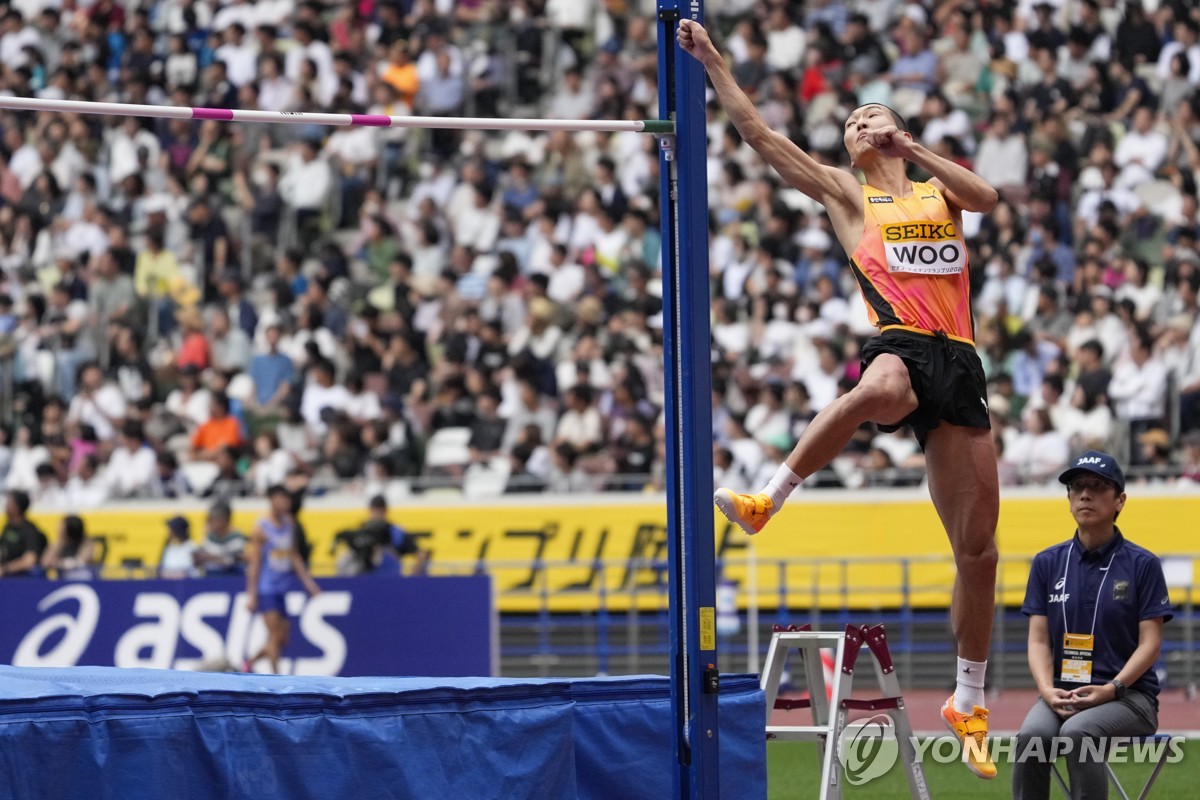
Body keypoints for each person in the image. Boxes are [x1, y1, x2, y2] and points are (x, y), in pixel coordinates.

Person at [679, 20, 1002, 777]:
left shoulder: (933, 188)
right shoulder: (845, 192)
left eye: (870, 116)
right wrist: (716, 64)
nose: (858, 125)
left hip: (960, 361)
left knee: (979, 553)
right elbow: (760, 136)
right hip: (901, 343)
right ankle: (770, 497)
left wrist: (912, 150)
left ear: (898, 127)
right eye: (851, 122)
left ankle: (968, 698)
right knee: (883, 384)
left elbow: (986, 197)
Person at [1013, 451, 1173, 799]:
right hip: (1063, 692)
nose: (1085, 495)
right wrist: (1046, 690)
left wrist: (1112, 688)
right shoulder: (1047, 563)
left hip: (1129, 697)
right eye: (1077, 487)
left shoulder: (1143, 564)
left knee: (1077, 734)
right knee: (1030, 738)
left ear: (1120, 501)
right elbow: (1038, 640)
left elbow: (1151, 643)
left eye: (1098, 487)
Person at [244, 484, 320, 674]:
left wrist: (308, 583)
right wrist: (252, 595)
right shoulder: (261, 528)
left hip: (282, 588)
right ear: (272, 500)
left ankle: (249, 663)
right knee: (274, 636)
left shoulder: (289, 523)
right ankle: (277, 677)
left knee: (282, 638)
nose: (286, 502)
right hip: (267, 588)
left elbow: (294, 555)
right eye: (282, 498)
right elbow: (255, 563)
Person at [0, 491, 48, 577]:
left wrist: (5, 568)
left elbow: (29, 560)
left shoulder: (30, 531)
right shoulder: (8, 527)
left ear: (17, 507)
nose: (5, 506)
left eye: (9, 503)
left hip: (24, 578)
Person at [193, 500, 247, 576]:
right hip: (211, 578)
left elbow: (230, 562)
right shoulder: (209, 538)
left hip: (231, 579)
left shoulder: (237, 538)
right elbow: (200, 559)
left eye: (213, 520)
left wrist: (210, 557)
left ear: (223, 520)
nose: (210, 524)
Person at [41, 514, 96, 580]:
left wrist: (60, 563)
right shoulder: (59, 543)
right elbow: (46, 562)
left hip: (83, 579)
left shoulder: (86, 542)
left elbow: (81, 562)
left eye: (61, 527)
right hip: (63, 580)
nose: (57, 529)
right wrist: (60, 542)